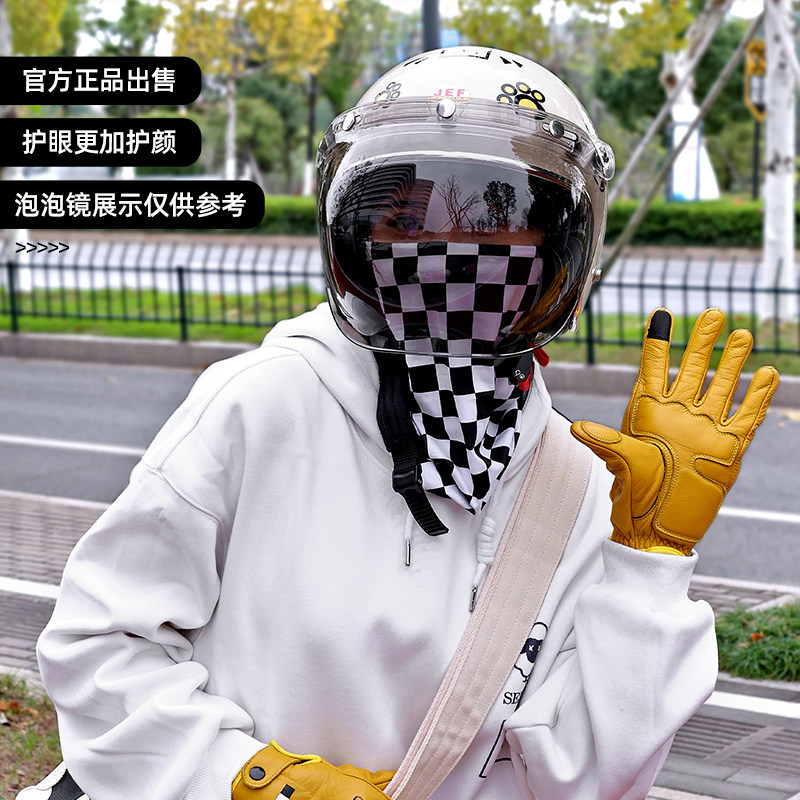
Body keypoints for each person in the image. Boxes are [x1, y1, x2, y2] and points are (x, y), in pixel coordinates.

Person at [27, 47, 779, 800]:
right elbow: (102, 643)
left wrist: (648, 563)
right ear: (354, 240)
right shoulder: (263, 405)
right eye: (407, 217)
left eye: (498, 217)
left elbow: (587, 778)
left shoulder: (581, 485)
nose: (451, 250)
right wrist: (251, 781)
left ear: (559, 251)